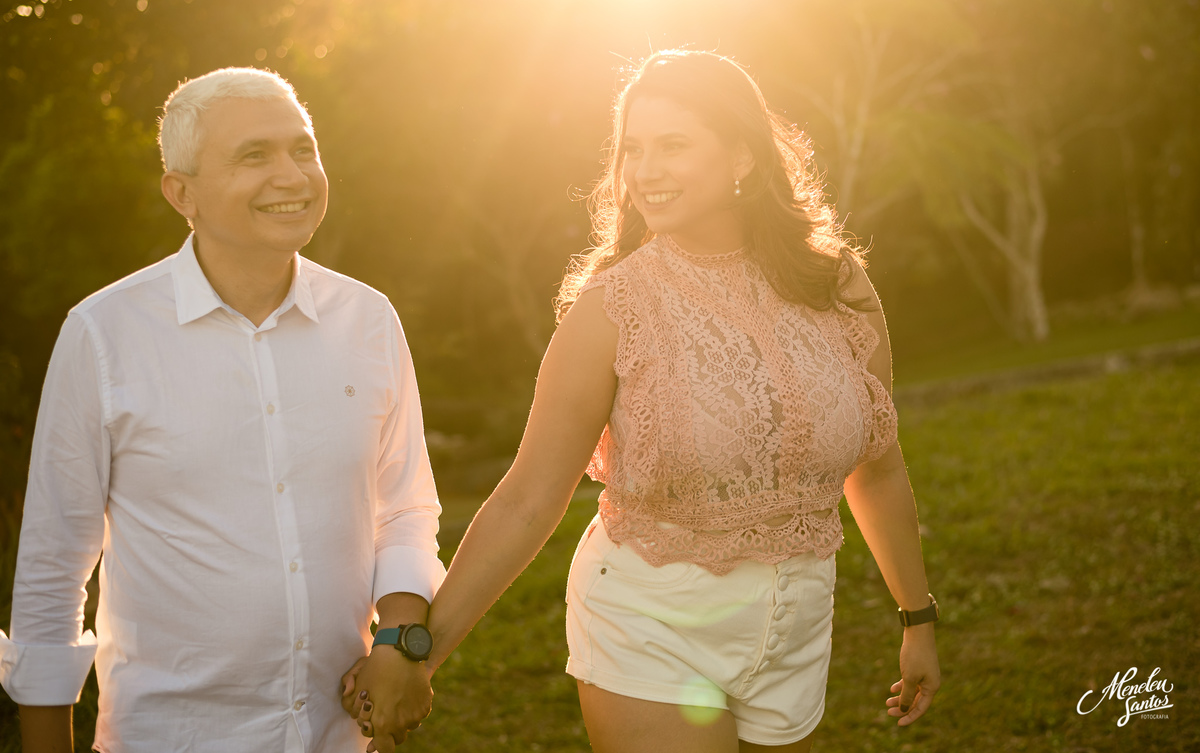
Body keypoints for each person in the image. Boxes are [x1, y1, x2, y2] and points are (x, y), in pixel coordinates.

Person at [356, 50, 942, 752]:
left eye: (673, 145)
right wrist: (420, 653)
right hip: (650, 627)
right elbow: (529, 496)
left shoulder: (837, 285)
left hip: (796, 633)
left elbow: (877, 467)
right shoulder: (611, 309)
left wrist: (917, 619)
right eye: (633, 148)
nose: (645, 169)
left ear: (742, 159)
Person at [0, 67, 444, 752]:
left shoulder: (369, 319)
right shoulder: (104, 334)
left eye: (303, 149)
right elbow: (55, 561)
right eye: (253, 155)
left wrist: (399, 639)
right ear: (183, 193)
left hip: (340, 736)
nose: (293, 175)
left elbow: (406, 507)